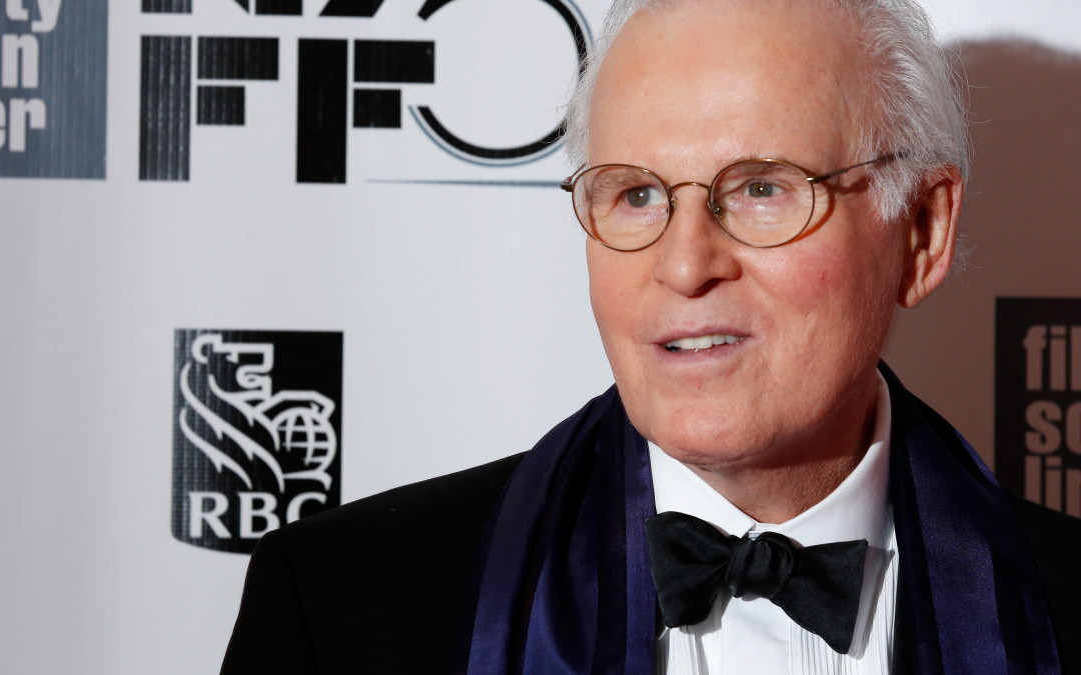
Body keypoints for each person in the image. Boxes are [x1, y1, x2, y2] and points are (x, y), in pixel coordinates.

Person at [220, 0, 1081, 672]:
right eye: (635, 194)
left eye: (761, 189)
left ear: (922, 232)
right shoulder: (341, 608)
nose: (683, 265)